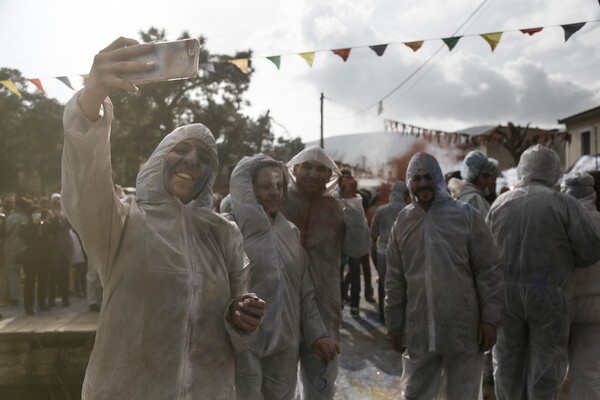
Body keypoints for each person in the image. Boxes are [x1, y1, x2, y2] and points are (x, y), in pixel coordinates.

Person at [61, 37, 265, 399]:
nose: (191, 161)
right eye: (181, 150)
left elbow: (238, 328)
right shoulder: (120, 222)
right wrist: (91, 99)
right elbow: (85, 176)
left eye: (203, 157)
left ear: (210, 174)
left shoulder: (224, 234)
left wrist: (241, 318)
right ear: (159, 160)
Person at [385, 152, 503, 400]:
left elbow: (488, 269)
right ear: (409, 183)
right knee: (415, 393)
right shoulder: (403, 222)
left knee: (464, 394)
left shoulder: (466, 216)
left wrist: (490, 319)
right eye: (416, 178)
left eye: (428, 176)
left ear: (438, 179)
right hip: (419, 330)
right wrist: (394, 324)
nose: (423, 183)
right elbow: (395, 278)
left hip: (463, 328)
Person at [487, 144, 600, 400]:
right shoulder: (563, 204)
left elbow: (486, 254)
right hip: (548, 297)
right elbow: (590, 251)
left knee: (507, 364)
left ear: (522, 170)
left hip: (506, 297)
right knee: (546, 368)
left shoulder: (500, 204)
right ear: (554, 171)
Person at [228, 154, 339, 399]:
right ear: (249, 188)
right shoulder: (230, 229)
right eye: (266, 186)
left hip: (286, 347)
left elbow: (304, 292)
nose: (275, 192)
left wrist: (317, 334)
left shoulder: (290, 232)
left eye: (279, 185)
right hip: (244, 343)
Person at [280, 145, 370, 399]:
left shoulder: (337, 208)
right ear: (294, 169)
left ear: (331, 175)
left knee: (320, 385)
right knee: (277, 387)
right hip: (280, 306)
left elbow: (359, 247)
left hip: (323, 310)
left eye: (321, 169)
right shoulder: (277, 200)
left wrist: (352, 201)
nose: (313, 173)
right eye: (306, 166)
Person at [560, 171, 600, 400]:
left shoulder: (558, 222)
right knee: (588, 371)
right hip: (595, 307)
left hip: (561, 304)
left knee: (551, 369)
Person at [370, 180, 409, 321]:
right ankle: (401, 317)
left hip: (383, 254)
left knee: (384, 285)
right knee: (403, 285)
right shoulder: (410, 210)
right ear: (405, 194)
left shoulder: (381, 211)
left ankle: (384, 314)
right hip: (404, 255)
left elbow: (372, 236)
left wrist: (374, 258)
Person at [20, 205, 53, 314]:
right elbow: (22, 234)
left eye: (38, 212)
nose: (36, 214)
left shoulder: (46, 224)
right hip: (30, 259)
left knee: (43, 281)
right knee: (30, 282)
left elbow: (57, 228)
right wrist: (32, 225)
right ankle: (28, 306)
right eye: (34, 213)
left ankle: (42, 303)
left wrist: (51, 217)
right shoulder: (26, 225)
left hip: (44, 257)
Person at [447, 150, 498, 216]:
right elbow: (486, 223)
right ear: (479, 177)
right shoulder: (474, 199)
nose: (491, 180)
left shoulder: (464, 194)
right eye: (487, 176)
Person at [3, 195, 30, 306]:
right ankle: (27, 295)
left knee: (13, 273)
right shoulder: (27, 217)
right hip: (25, 248)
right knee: (27, 273)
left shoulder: (12, 217)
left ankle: (14, 298)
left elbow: (5, 232)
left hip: (12, 248)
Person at [47, 193, 73, 307]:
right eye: (55, 201)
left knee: (65, 275)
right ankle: (51, 298)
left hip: (65, 248)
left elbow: (70, 225)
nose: (57, 203)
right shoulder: (49, 214)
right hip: (53, 250)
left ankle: (65, 298)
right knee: (53, 275)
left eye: (59, 201)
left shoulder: (65, 214)